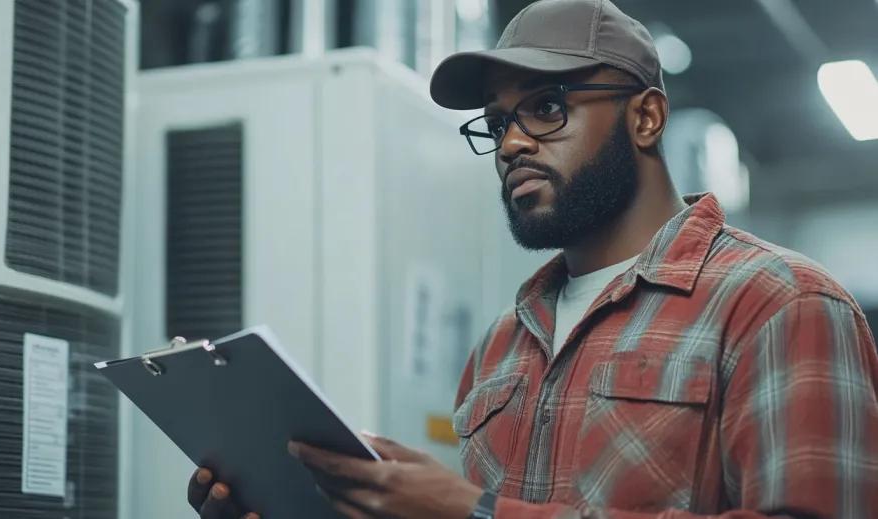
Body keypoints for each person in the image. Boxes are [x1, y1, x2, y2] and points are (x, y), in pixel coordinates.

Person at [187, 0, 878, 517]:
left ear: (645, 118)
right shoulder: (501, 346)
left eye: (546, 107)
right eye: (496, 124)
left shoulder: (778, 302)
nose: (512, 143)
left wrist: (473, 512)